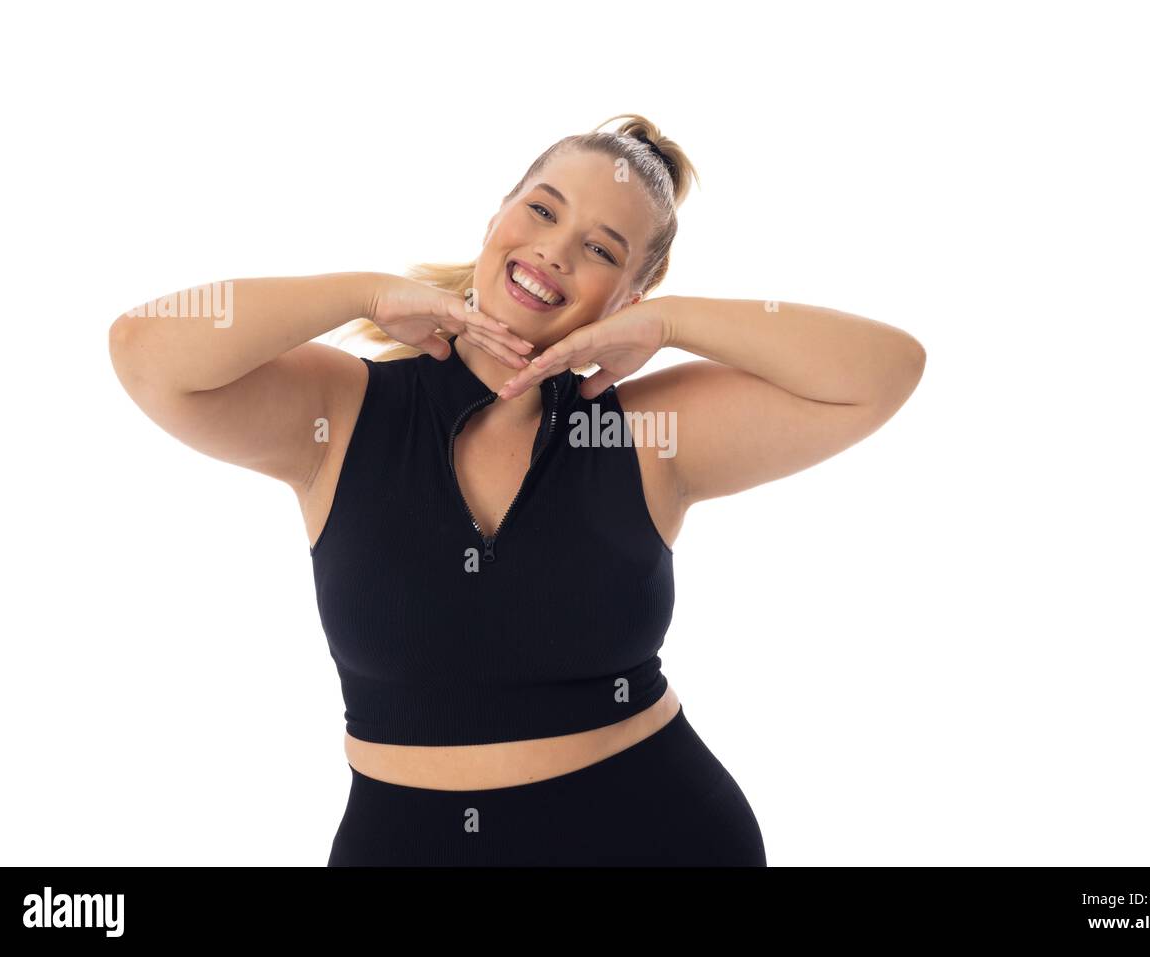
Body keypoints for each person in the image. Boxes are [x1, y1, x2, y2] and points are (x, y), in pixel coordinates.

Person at [108, 113, 926, 866]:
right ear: (498, 213)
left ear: (628, 295)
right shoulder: (343, 413)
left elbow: (883, 373)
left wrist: (673, 324)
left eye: (603, 250)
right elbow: (145, 353)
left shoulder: (638, 433)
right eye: (541, 210)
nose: (556, 252)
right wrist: (362, 292)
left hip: (659, 834)